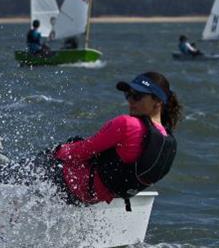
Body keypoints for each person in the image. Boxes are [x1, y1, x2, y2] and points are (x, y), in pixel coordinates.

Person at [50, 72, 180, 210]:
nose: (130, 100)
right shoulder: (166, 138)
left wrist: (55, 150)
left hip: (69, 184)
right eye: (128, 95)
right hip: (92, 198)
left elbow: (82, 151)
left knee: (34, 164)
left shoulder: (127, 124)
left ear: (158, 101)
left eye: (137, 96)